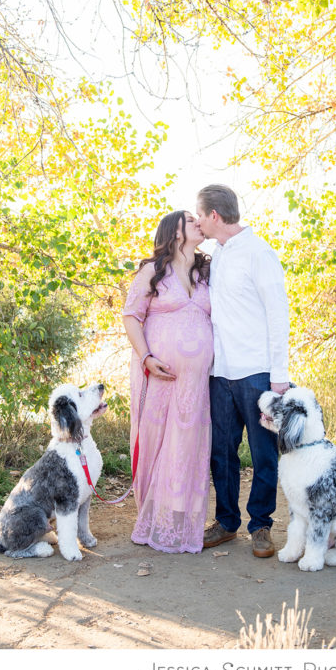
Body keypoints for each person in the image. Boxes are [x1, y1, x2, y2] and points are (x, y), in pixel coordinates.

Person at [195, 184, 290, 558]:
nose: (198, 222)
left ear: (214, 216)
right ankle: (226, 522)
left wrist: (278, 375)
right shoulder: (217, 255)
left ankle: (261, 525)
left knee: (263, 452)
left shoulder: (258, 253)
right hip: (220, 373)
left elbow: (278, 315)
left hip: (257, 372)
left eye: (200, 215)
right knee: (222, 452)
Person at [122, 210, 214, 553]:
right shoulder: (152, 270)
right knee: (158, 444)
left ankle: (179, 523)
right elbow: (131, 316)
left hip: (196, 383)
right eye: (190, 220)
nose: (198, 222)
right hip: (160, 375)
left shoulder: (206, 272)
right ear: (174, 231)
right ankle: (154, 521)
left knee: (187, 447)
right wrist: (147, 357)